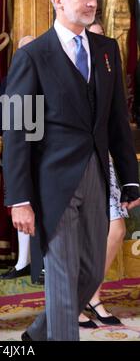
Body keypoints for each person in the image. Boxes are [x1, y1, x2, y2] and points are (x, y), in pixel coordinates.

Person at [3, 0, 140, 341]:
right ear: (58, 0)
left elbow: (116, 122)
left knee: (92, 272)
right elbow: (16, 132)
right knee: (62, 279)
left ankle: (37, 334)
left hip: (97, 178)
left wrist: (130, 180)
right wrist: (19, 198)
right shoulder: (31, 57)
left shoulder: (107, 50)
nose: (93, 1)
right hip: (52, 186)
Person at [78, 20, 126, 328]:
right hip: (69, 164)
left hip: (104, 158)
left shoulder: (108, 72)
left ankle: (91, 293)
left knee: (117, 229)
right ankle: (76, 300)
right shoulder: (62, 66)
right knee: (79, 237)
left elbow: (118, 121)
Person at [0, 36, 44, 284]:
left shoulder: (50, 79)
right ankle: (23, 261)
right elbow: (2, 119)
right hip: (19, 153)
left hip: (46, 155)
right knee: (23, 205)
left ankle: (41, 264)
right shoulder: (8, 82)